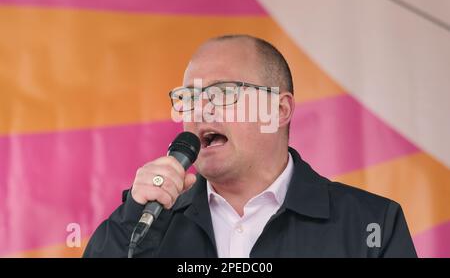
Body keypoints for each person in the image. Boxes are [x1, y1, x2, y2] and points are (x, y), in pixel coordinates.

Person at [83, 35, 417, 257]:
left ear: (280, 109)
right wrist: (132, 219)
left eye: (223, 92)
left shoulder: (370, 224)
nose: (200, 109)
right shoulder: (149, 221)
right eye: (190, 97)